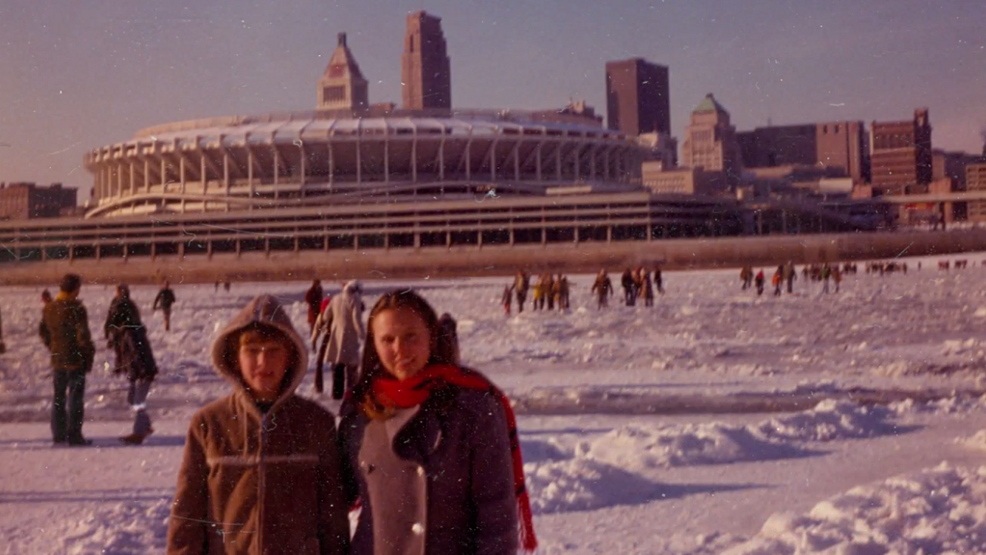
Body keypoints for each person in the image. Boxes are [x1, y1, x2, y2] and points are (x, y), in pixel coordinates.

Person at [339, 289, 537, 555]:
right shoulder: (360, 410)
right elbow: (332, 501)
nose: (400, 349)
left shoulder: (474, 406)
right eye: (388, 339)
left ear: (431, 337)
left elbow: (496, 514)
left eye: (411, 336)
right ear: (374, 344)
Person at [167, 294, 350, 554]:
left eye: (274, 351)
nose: (263, 362)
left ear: (290, 357)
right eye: (252, 351)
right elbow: (187, 514)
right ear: (235, 357)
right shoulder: (209, 423)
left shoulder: (316, 422)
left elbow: (334, 517)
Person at [39, 273, 95, 446]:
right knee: (75, 398)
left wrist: (52, 345)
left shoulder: (49, 308)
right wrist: (88, 356)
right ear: (75, 288)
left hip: (57, 358)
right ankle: (74, 435)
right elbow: (83, 336)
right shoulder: (77, 308)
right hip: (75, 359)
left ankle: (58, 434)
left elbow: (43, 331)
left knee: (58, 397)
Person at [104, 284, 158, 445]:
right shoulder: (125, 332)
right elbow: (124, 354)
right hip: (137, 371)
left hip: (142, 371)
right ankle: (145, 426)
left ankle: (139, 433)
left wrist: (140, 372)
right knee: (132, 399)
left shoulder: (131, 333)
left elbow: (136, 355)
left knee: (137, 402)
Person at [313, 280, 365, 400]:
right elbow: (356, 321)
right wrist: (364, 336)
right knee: (351, 369)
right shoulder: (355, 299)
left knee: (338, 367)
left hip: (336, 337)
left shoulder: (335, 298)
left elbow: (326, 316)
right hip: (350, 337)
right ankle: (350, 396)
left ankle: (337, 396)